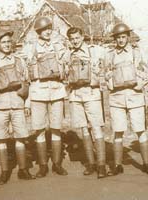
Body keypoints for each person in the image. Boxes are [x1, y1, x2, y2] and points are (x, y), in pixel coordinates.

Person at [104, 23, 148, 176]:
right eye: (118, 37)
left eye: (123, 37)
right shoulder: (110, 55)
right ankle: (117, 165)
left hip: (134, 97)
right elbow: (105, 73)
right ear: (114, 39)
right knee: (118, 132)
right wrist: (110, 84)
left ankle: (147, 164)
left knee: (140, 130)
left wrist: (139, 85)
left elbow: (146, 71)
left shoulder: (136, 52)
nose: (121, 40)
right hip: (117, 98)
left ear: (128, 37)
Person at [0, 30, 35, 185]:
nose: (7, 45)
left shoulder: (19, 60)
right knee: (1, 139)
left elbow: (27, 82)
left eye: (8, 42)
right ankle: (5, 171)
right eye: (3, 42)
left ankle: (23, 169)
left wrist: (27, 103)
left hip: (18, 104)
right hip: (0, 106)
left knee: (21, 137)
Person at [23, 16, 68, 177]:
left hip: (56, 90)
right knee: (39, 130)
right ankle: (43, 166)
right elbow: (25, 75)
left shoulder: (58, 46)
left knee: (56, 128)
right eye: (44, 29)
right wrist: (27, 101)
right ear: (38, 32)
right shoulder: (30, 48)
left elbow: (67, 65)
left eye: (49, 28)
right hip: (37, 92)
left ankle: (57, 164)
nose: (47, 32)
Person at [65, 27, 107, 178]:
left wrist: (99, 79)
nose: (75, 41)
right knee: (83, 130)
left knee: (96, 128)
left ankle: (101, 165)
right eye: (72, 39)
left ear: (82, 36)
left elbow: (104, 67)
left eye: (77, 37)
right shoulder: (68, 55)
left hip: (91, 94)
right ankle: (91, 164)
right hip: (76, 96)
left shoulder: (95, 51)